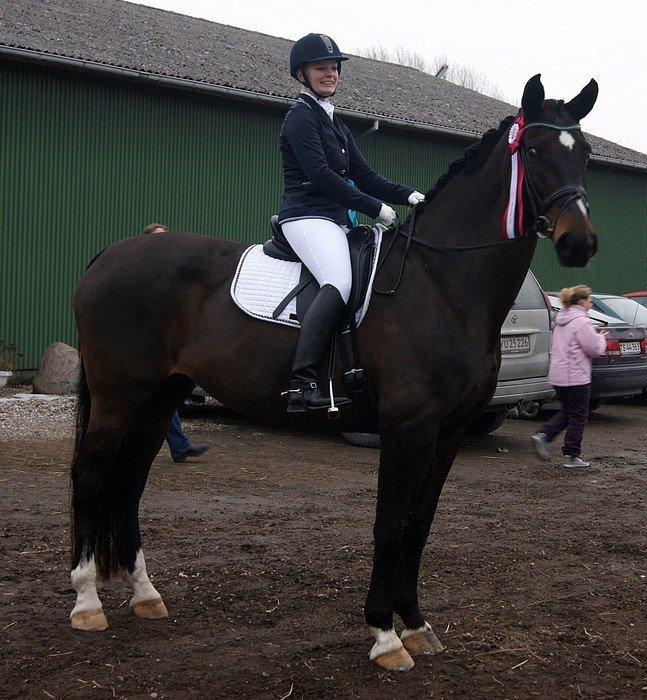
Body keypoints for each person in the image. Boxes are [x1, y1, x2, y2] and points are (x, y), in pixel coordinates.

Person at [278, 33, 425, 413]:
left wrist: (410, 195)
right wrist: (375, 208)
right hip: (306, 216)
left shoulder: (336, 124)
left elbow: (365, 174)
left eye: (333, 68)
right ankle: (301, 381)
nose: (329, 74)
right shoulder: (299, 117)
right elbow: (323, 176)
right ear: (301, 75)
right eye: (320, 68)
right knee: (340, 282)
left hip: (335, 219)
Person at [141, 223, 209, 463]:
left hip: (163, 350)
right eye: (161, 239)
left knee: (163, 399)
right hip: (147, 350)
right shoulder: (143, 275)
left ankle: (179, 446)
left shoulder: (170, 277)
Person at [532, 285, 607, 468]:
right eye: (589, 300)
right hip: (576, 377)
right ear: (581, 302)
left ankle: (544, 435)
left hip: (558, 376)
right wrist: (601, 338)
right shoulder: (582, 322)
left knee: (569, 411)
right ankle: (571, 456)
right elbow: (594, 349)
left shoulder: (561, 320)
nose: (590, 303)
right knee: (579, 416)